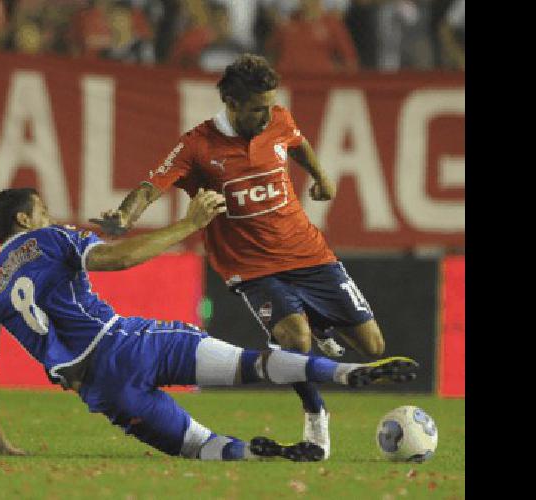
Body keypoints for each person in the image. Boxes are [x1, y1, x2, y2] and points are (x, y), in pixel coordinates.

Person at [0, 187, 418, 461]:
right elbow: (118, 257)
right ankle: (346, 373)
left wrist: (0, 443)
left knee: (199, 448)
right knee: (254, 364)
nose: (49, 216)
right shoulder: (47, 238)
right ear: (24, 219)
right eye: (42, 210)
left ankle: (266, 456)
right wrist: (190, 223)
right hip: (130, 343)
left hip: (100, 390)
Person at [92, 54, 395, 460]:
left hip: (309, 252)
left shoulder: (279, 119)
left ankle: (322, 323)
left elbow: (298, 142)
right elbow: (151, 186)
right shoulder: (197, 146)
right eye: (257, 108)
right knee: (294, 337)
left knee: (374, 347)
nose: (268, 114)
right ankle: (316, 416)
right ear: (232, 105)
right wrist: (125, 216)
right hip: (252, 268)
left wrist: (321, 176)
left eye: (271, 104)